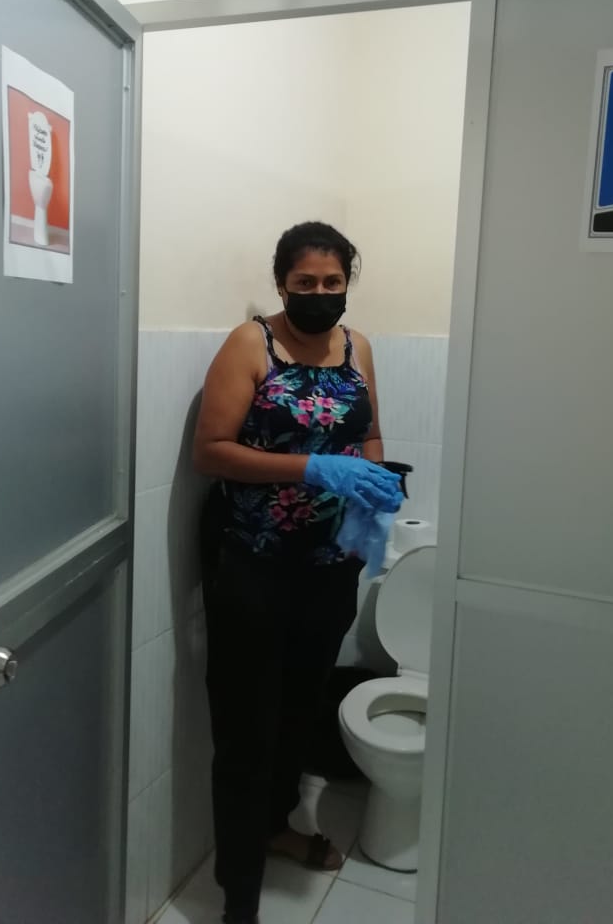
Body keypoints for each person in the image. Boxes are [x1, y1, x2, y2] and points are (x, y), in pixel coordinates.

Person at [193, 221, 402, 924]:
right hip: (254, 565)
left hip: (330, 566)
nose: (319, 293)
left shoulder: (356, 346)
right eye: (305, 282)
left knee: (298, 711)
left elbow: (368, 433)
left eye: (332, 282)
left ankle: (278, 826)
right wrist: (311, 467)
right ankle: (239, 891)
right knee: (246, 729)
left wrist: (373, 488)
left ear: (348, 283)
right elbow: (212, 450)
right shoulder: (251, 345)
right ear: (282, 283)